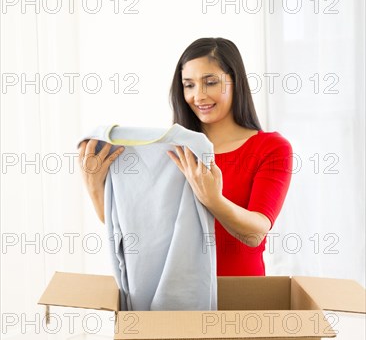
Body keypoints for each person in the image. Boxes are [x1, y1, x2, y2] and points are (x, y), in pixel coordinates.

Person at [78, 37, 293, 276]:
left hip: (241, 296)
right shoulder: (171, 150)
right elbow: (139, 236)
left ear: (236, 82)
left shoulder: (271, 148)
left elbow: (255, 234)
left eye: (210, 82)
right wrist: (95, 188)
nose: (198, 96)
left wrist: (214, 200)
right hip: (177, 295)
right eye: (189, 85)